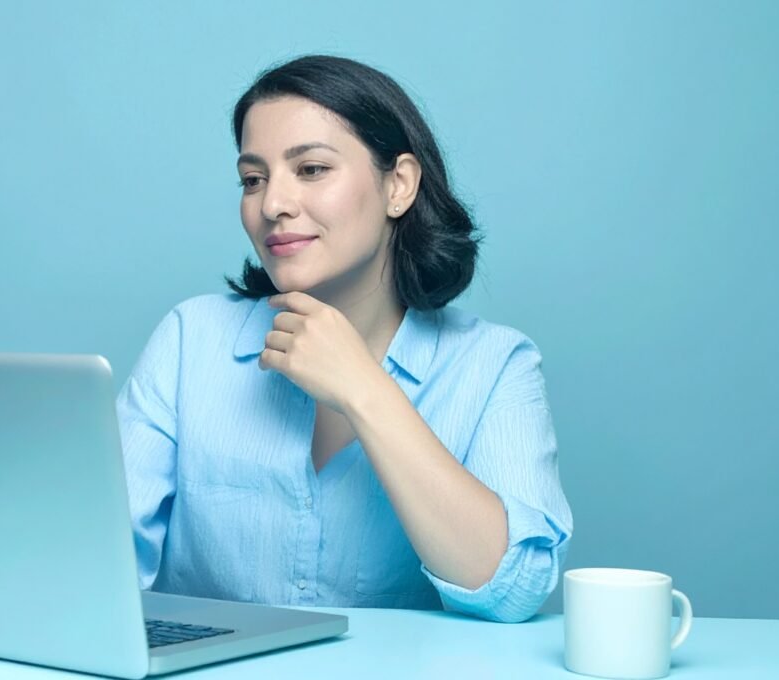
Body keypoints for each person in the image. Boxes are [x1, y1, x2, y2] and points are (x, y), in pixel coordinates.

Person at [116, 55, 572, 623]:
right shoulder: (190, 342)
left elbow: (514, 590)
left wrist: (364, 389)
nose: (273, 205)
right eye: (253, 179)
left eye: (310, 169)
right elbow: (92, 570)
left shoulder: (496, 365)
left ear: (398, 186)